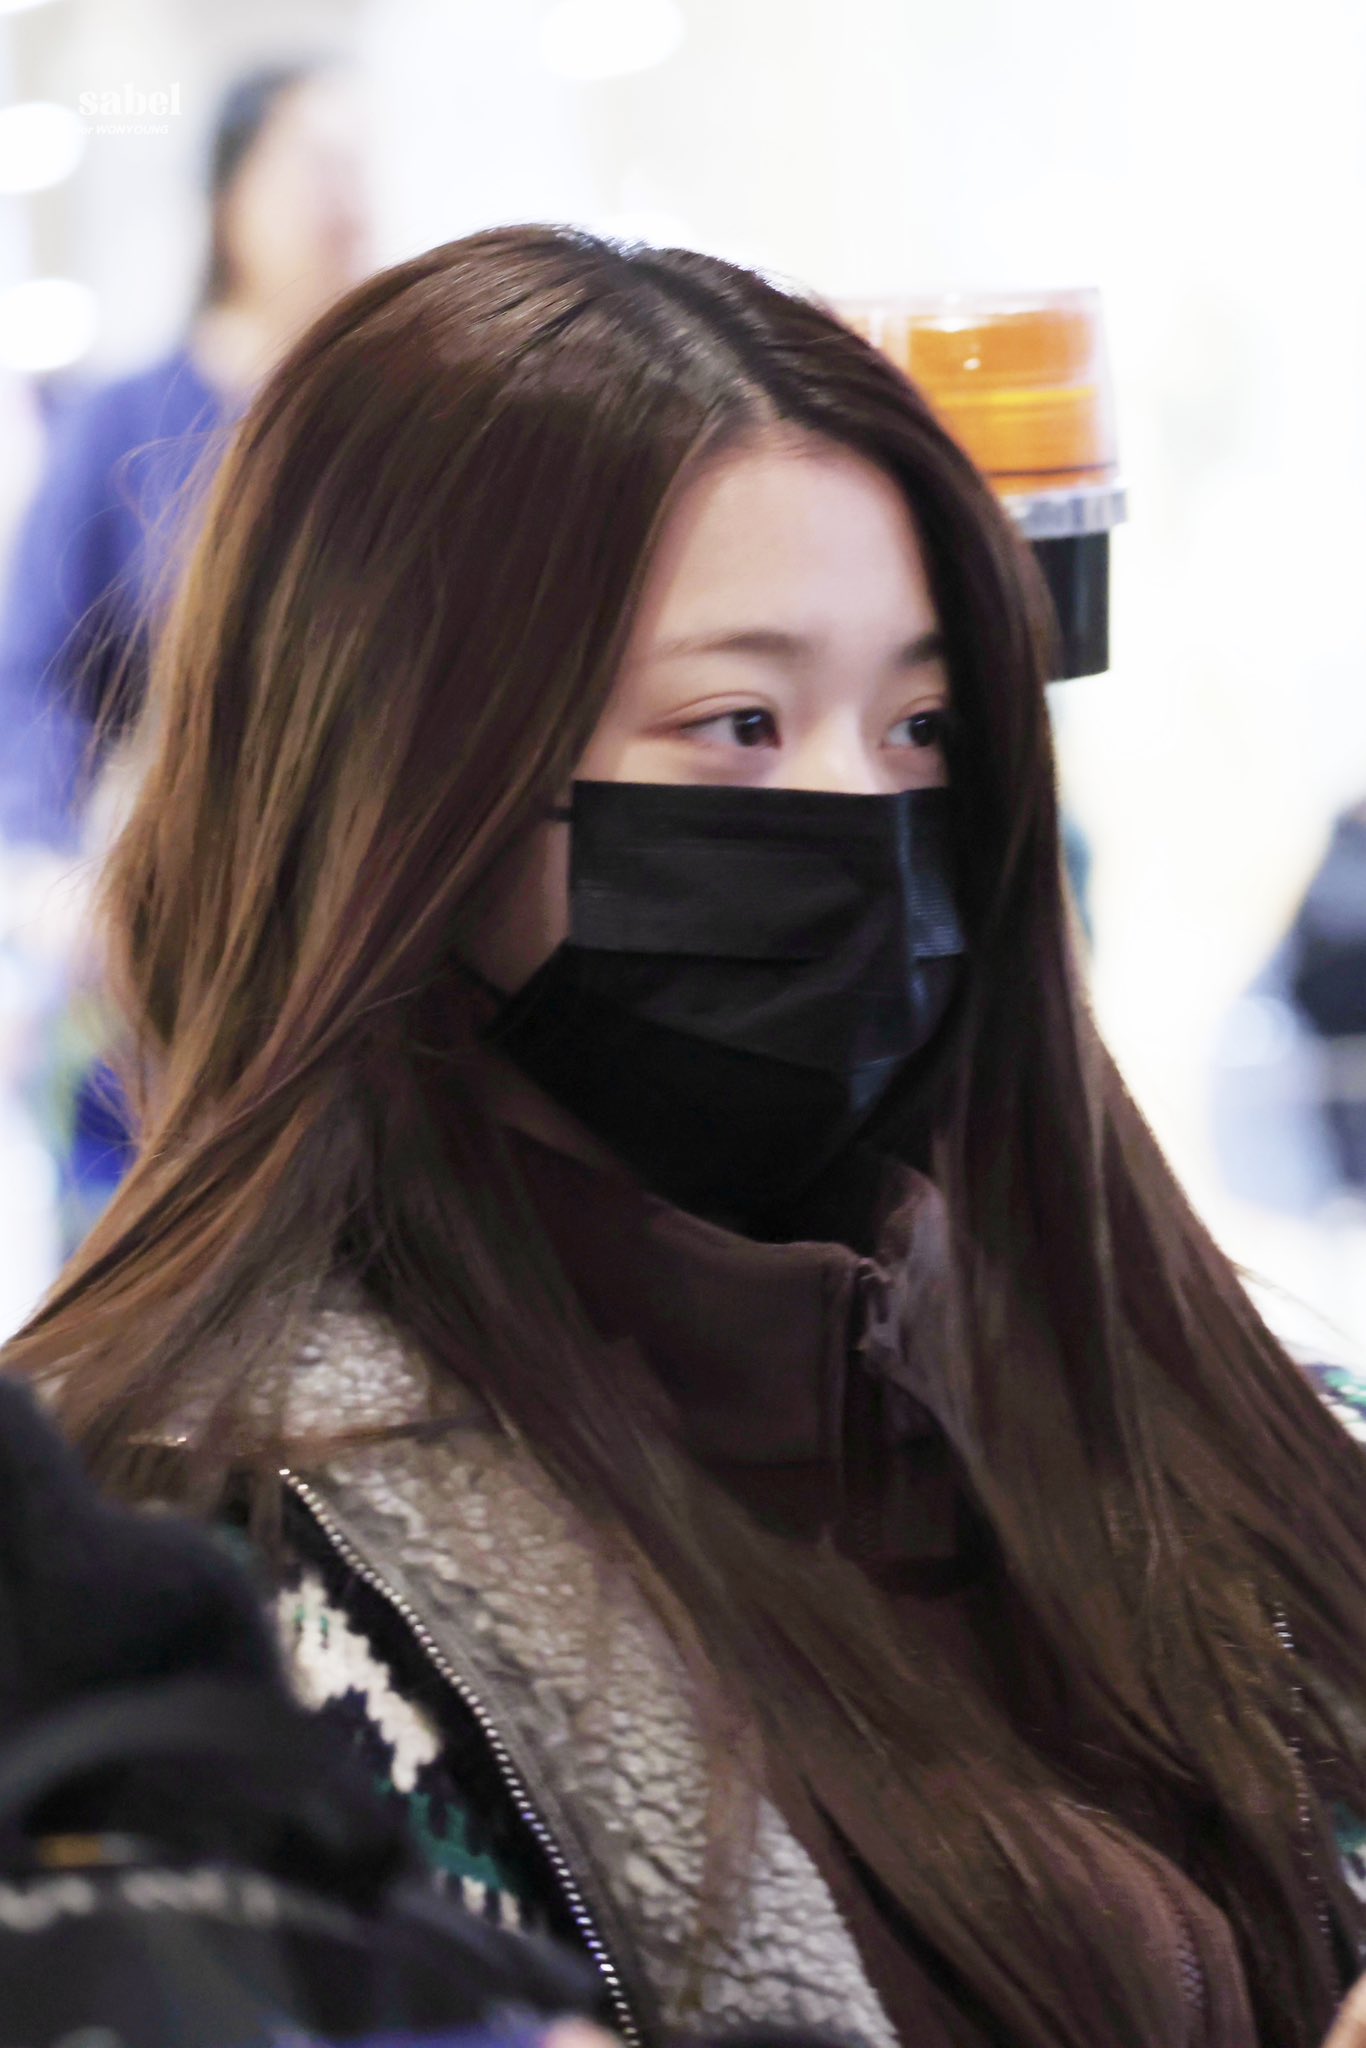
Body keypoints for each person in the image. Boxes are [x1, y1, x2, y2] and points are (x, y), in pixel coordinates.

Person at [6, 223, 1366, 2048]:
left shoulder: (1184, 1410)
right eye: (738, 723)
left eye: (925, 723)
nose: (862, 809)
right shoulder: (201, 1582)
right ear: (413, 785)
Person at [0, 56, 372, 1243]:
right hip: (154, 952)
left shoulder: (382, 437)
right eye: (317, 165)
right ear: (230, 196)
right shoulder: (129, 421)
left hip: (348, 954)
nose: (348, 200)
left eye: (360, 170)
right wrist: (50, 876)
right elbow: (34, 671)